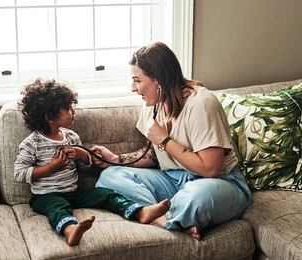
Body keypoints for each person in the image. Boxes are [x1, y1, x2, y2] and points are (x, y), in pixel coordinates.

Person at [90, 42, 252, 240]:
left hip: (218, 183)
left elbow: (211, 169)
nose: (133, 88)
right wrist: (115, 159)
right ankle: (165, 220)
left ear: (158, 80)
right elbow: (153, 155)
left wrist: (165, 140)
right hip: (173, 179)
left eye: (137, 80)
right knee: (110, 177)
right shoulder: (152, 103)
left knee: (198, 198)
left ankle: (161, 215)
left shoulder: (202, 103)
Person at [14, 78, 171, 246]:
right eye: (68, 108)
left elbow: (84, 167)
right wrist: (50, 168)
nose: (73, 111)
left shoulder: (71, 137)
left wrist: (82, 155)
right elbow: (20, 173)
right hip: (45, 196)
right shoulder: (32, 143)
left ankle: (140, 212)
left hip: (73, 192)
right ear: (50, 117)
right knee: (58, 208)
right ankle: (70, 230)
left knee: (106, 194)